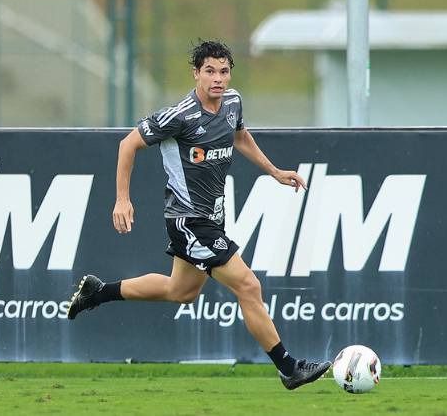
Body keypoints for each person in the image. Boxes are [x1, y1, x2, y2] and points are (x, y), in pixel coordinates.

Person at [66, 39, 331, 390]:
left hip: (211, 217)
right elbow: (127, 144)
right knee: (249, 286)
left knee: (181, 290)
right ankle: (288, 367)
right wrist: (121, 199)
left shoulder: (233, 102)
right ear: (196, 73)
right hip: (188, 220)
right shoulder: (180, 116)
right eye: (210, 71)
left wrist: (274, 171)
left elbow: (240, 136)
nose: (217, 79)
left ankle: (98, 293)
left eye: (224, 71)